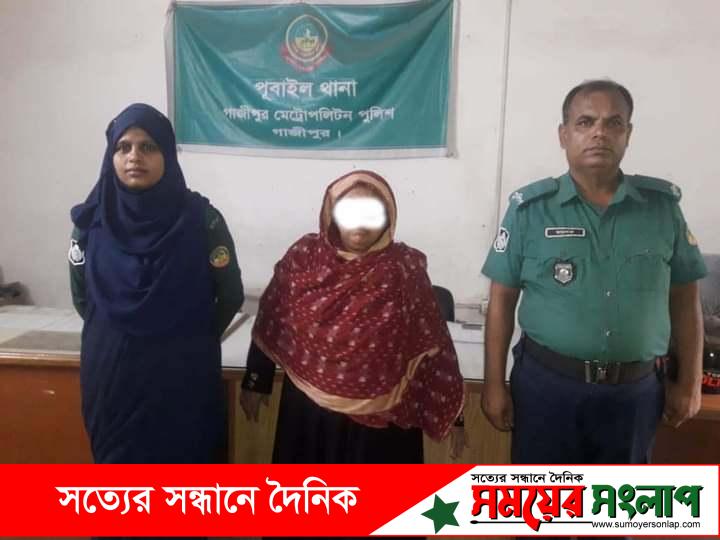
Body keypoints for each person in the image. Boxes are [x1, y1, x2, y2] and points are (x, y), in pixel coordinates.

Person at [481, 79, 707, 469]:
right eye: (585, 122)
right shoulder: (530, 210)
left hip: (634, 394)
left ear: (628, 134)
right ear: (563, 134)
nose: (599, 132)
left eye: (613, 123)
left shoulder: (661, 209)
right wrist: (493, 384)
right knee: (544, 502)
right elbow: (501, 301)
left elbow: (686, 301)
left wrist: (690, 382)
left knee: (615, 504)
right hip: (546, 389)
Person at [240, 170, 465, 467]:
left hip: (384, 422)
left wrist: (454, 414)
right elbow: (273, 318)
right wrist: (256, 380)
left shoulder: (404, 269)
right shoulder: (305, 258)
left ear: (388, 218)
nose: (359, 224)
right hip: (310, 413)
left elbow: (433, 341)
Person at [69, 103, 244, 465]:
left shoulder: (202, 220)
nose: (134, 156)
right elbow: (82, 297)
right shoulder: (90, 222)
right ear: (111, 156)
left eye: (148, 146)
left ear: (166, 153)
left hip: (183, 372)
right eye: (123, 147)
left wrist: (192, 338)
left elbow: (230, 294)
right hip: (113, 375)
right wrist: (121, 334)